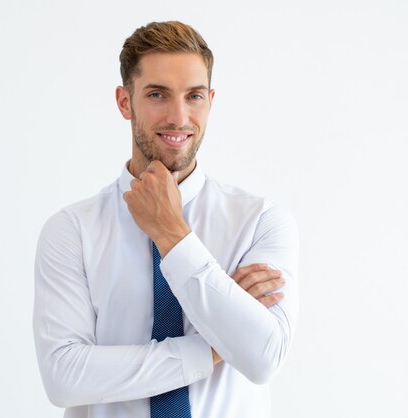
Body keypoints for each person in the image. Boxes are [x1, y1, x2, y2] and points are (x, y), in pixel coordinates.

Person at [33, 21, 299, 418]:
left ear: (209, 100)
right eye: (158, 94)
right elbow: (64, 377)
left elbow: (263, 359)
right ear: (125, 102)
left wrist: (171, 235)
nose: (179, 116)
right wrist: (216, 345)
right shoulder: (72, 230)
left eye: (194, 96)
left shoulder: (260, 221)